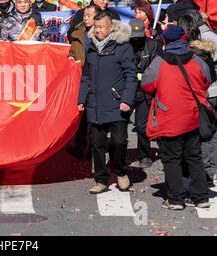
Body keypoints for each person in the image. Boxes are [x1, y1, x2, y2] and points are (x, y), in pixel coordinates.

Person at [141, 25, 211, 210]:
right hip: (192, 116)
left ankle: (176, 199)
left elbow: (147, 84)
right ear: (184, 39)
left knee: (172, 159)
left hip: (169, 116)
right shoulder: (196, 60)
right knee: (194, 157)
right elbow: (206, 80)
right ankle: (201, 197)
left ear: (165, 41)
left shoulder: (159, 62)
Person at [78, 11, 137, 194]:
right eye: (95, 27)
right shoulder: (91, 48)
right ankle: (101, 179)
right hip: (95, 103)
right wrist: (81, 99)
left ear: (111, 28)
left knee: (119, 142)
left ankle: (120, 170)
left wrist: (127, 99)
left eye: (101, 27)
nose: (97, 30)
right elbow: (85, 77)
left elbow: (131, 76)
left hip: (117, 102)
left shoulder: (123, 47)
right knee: (97, 143)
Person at [178, 15, 217, 183]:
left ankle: (201, 173)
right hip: (210, 94)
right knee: (209, 133)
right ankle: (209, 170)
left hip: (198, 97)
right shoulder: (205, 50)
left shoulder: (189, 54)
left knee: (197, 136)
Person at [128, 19, 163, 168]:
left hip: (145, 91)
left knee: (142, 126)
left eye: (138, 35)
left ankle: (144, 155)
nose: (136, 39)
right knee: (120, 126)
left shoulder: (153, 46)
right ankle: (120, 156)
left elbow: (156, 68)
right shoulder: (123, 46)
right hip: (127, 91)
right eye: (133, 36)